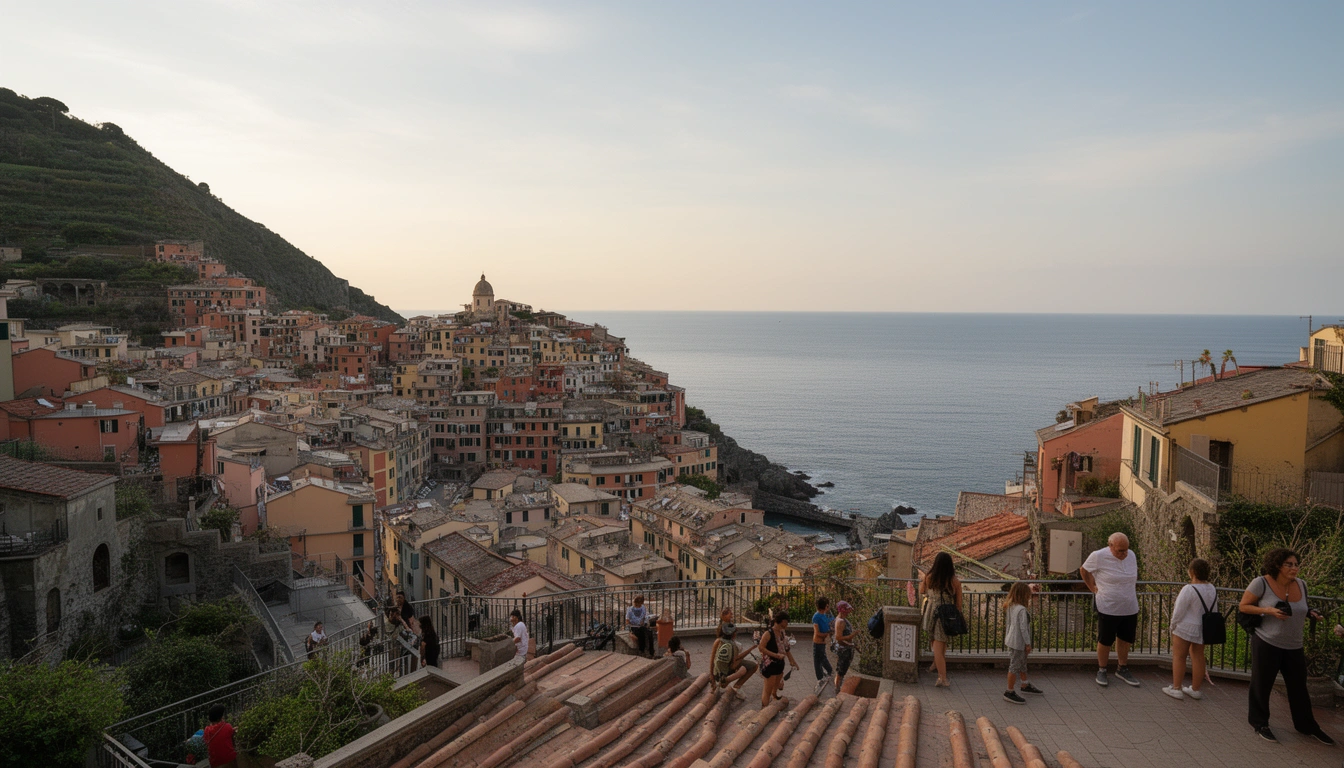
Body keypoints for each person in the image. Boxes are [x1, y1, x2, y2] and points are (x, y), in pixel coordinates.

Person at [1240, 548, 1334, 744]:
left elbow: (1301, 607)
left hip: (1294, 645)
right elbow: (1244, 606)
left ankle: (1306, 726)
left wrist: (1310, 612)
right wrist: (1269, 610)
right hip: (1267, 641)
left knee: (1299, 687)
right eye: (1289, 564)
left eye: (1296, 564)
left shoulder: (1302, 584)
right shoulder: (1261, 582)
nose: (1294, 568)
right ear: (1277, 565)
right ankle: (1260, 723)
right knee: (1262, 684)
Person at [1079, 532, 1140, 687]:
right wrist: (1092, 587)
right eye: (1120, 551)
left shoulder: (1131, 555)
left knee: (1125, 639)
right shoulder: (1098, 556)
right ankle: (1102, 669)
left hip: (1129, 606)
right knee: (1105, 640)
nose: (1124, 554)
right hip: (1108, 606)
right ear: (1110, 546)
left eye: (1126, 550)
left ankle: (1122, 668)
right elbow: (1084, 570)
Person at [1165, 557, 1217, 701]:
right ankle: (1196, 689)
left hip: (1185, 627)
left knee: (1179, 656)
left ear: (1192, 572)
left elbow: (1179, 611)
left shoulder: (1189, 589)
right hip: (1203, 627)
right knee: (1198, 656)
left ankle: (1176, 688)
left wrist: (1172, 625)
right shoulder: (1212, 588)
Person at [920, 551, 962, 687]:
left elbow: (922, 591)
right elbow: (959, 605)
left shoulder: (929, 577)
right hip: (946, 615)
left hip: (932, 612)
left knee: (936, 644)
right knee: (941, 645)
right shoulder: (955, 582)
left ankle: (939, 671)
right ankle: (940, 674)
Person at [1002, 581, 1043, 704]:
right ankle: (1009, 691)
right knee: (1014, 665)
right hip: (1018, 641)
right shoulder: (1022, 610)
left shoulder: (1011, 606)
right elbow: (1023, 628)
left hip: (1011, 639)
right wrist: (1028, 644)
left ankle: (1025, 684)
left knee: (1022, 663)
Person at [710, 609, 757, 697]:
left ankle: (730, 683)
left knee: (747, 665)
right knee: (744, 669)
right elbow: (735, 660)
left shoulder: (725, 641)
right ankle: (730, 683)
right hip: (724, 671)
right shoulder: (728, 644)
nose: (732, 615)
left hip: (723, 669)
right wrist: (711, 676)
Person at [758, 609, 799, 707]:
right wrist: (776, 655)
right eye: (787, 622)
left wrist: (792, 661)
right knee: (767, 690)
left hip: (779, 664)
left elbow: (786, 648)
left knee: (775, 685)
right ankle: (764, 708)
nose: (787, 624)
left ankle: (774, 697)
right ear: (783, 621)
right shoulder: (768, 633)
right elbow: (761, 648)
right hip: (770, 664)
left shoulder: (782, 632)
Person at [811, 596, 834, 692]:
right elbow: (818, 632)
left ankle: (825, 674)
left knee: (819, 659)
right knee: (820, 659)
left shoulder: (824, 615)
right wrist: (827, 634)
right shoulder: (817, 617)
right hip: (819, 641)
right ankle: (824, 675)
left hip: (821, 642)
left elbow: (832, 622)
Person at [203, 704, 237, 768]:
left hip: (215, 764)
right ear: (220, 717)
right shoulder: (227, 726)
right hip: (229, 760)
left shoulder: (206, 730)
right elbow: (230, 739)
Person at [832, 600, 856, 692]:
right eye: (847, 610)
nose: (848, 612)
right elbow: (838, 637)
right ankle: (837, 689)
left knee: (842, 670)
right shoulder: (840, 622)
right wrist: (850, 637)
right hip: (843, 650)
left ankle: (838, 687)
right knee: (840, 671)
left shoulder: (843, 620)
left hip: (846, 648)